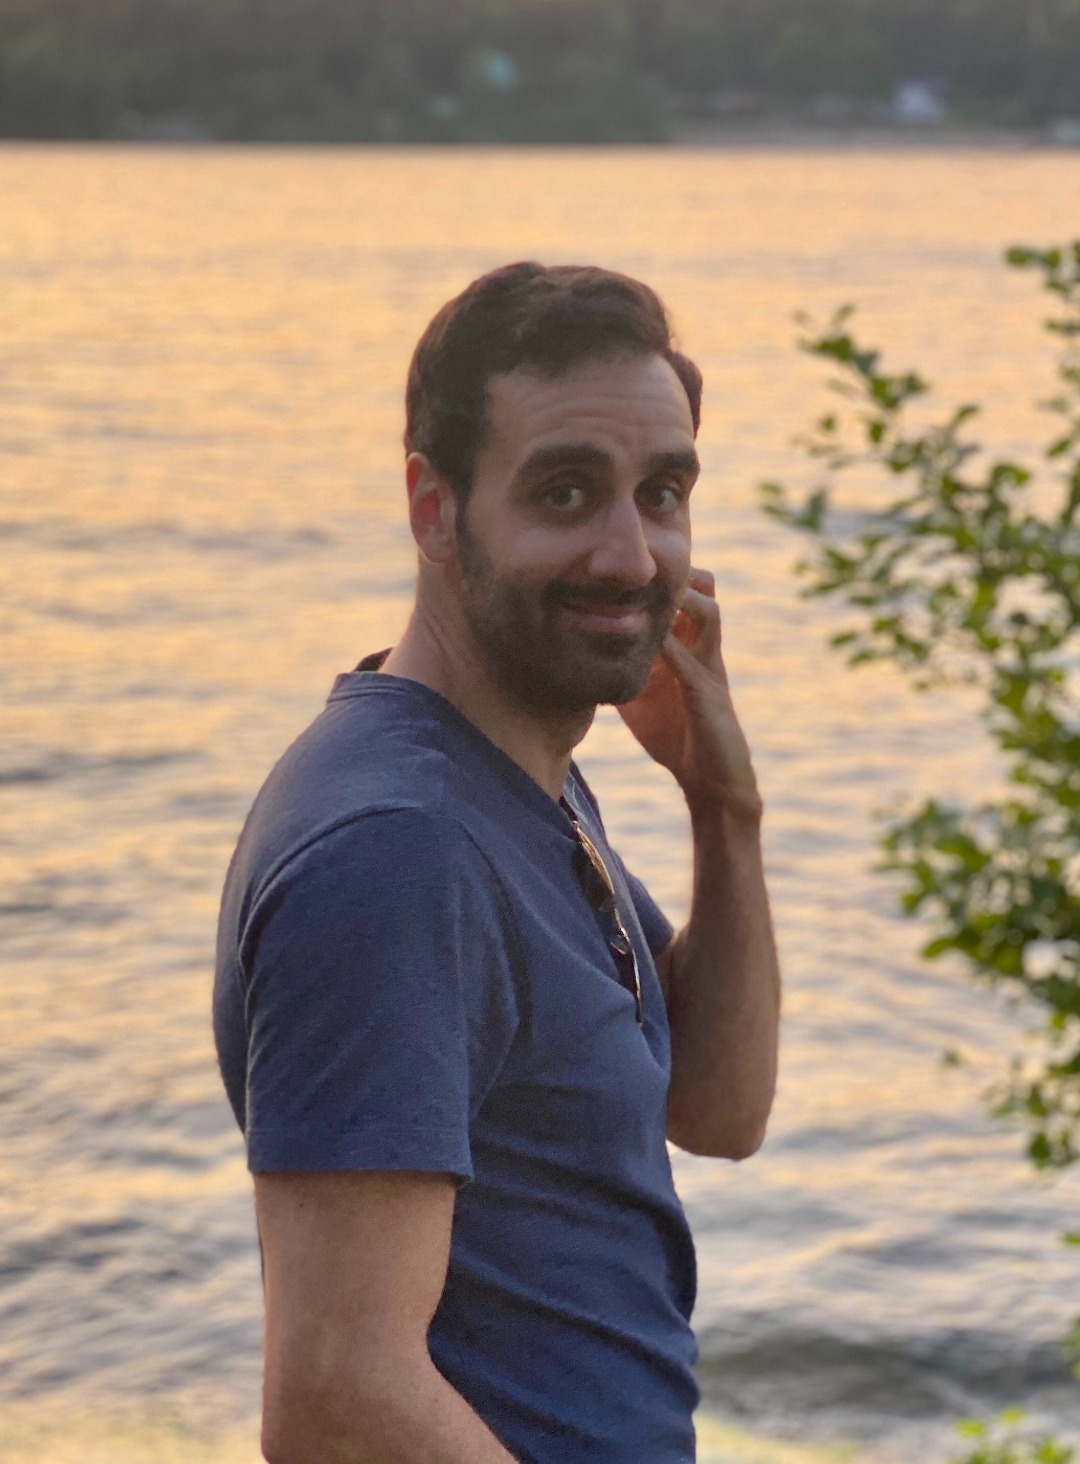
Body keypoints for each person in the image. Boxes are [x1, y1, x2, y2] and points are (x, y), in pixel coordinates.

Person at [213, 261, 781, 1464]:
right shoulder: (399, 850)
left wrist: (723, 808)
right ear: (434, 510)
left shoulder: (515, 777)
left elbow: (717, 1109)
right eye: (566, 493)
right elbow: (334, 1399)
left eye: (662, 493)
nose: (632, 556)